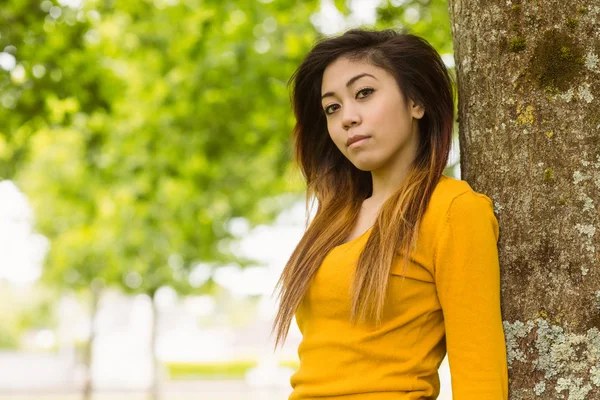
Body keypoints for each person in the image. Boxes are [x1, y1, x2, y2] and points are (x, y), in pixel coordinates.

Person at [270, 28, 508, 400]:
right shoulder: (333, 218)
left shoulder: (453, 211)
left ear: (416, 102)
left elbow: (480, 378)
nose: (347, 118)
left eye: (364, 93)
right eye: (332, 107)